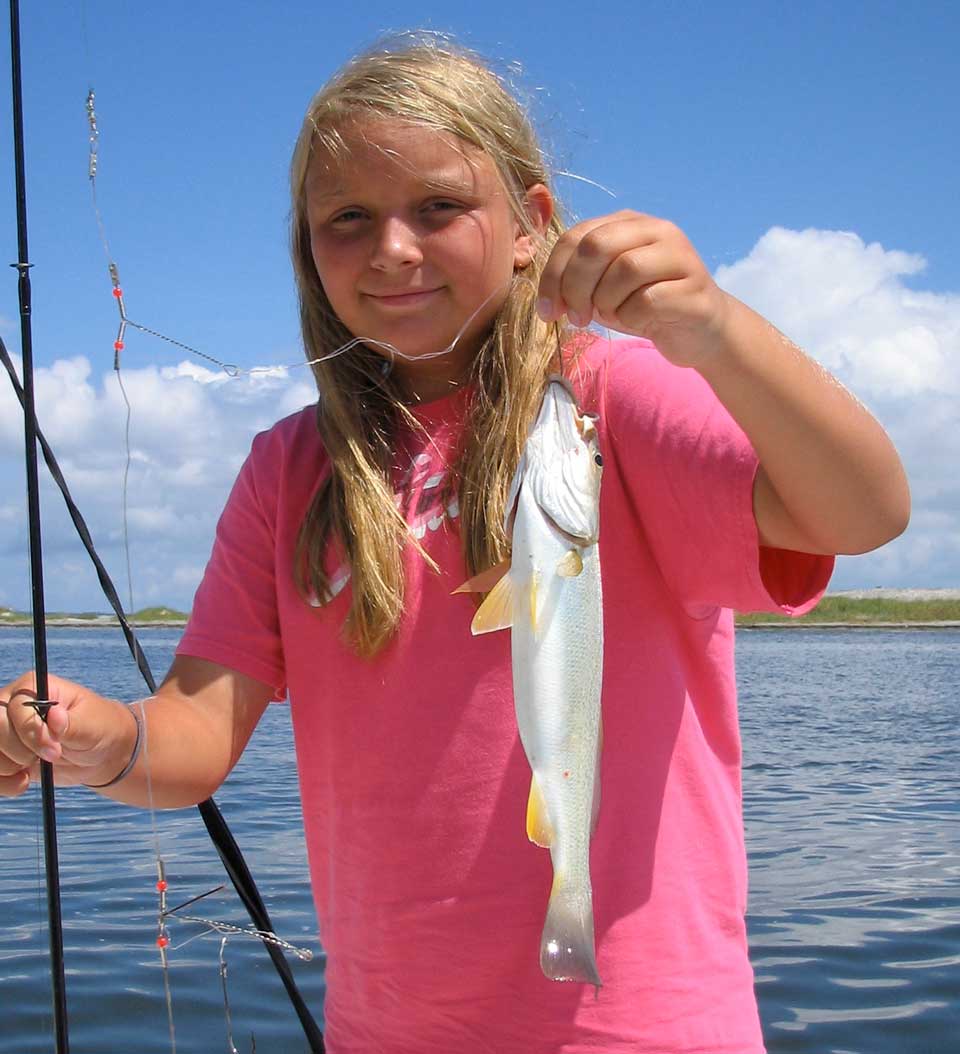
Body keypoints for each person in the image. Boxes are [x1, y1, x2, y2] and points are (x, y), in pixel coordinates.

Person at [0, 35, 909, 1054]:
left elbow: (862, 511)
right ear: (308, 250)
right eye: (348, 219)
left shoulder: (610, 399)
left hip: (639, 1025)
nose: (393, 249)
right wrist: (98, 742)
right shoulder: (291, 472)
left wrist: (715, 333)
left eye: (438, 208)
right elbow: (193, 742)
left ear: (532, 226)